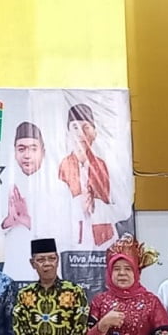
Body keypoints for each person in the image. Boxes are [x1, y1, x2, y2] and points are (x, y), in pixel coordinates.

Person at [58, 103, 114, 249]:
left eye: (86, 127)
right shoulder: (63, 166)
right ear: (68, 133)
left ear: (94, 133)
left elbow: (117, 206)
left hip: (102, 240)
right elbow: (57, 208)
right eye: (75, 127)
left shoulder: (102, 166)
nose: (81, 133)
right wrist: (78, 205)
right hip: (71, 240)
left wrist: (96, 205)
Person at [1, 121, 52, 281]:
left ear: (43, 151)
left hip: (46, 272)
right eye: (21, 149)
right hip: (14, 267)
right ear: (14, 152)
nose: (27, 155)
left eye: (33, 148)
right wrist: (8, 221)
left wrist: (27, 221)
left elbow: (65, 233)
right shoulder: (5, 184)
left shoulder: (57, 187)